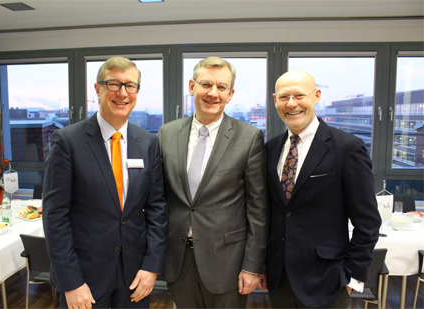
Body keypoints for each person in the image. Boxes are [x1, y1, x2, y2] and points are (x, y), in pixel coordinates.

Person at [43, 56, 168, 309]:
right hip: (85, 279)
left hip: (134, 275)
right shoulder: (68, 141)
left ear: (137, 92)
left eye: (130, 85)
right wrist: (71, 282)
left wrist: (152, 266)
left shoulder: (148, 143)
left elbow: (157, 209)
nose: (122, 93)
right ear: (97, 89)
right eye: (114, 84)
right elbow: (55, 216)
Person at [259, 70, 381, 308]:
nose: (291, 104)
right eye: (284, 97)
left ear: (316, 96)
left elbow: (367, 221)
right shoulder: (270, 149)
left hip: (328, 280)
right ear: (275, 101)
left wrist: (352, 277)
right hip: (279, 279)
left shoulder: (347, 148)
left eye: (299, 95)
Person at [158, 57, 268, 308]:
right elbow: (160, 199)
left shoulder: (249, 138)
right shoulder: (166, 134)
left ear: (230, 95)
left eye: (221, 87)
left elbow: (258, 210)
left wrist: (252, 266)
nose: (213, 93)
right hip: (178, 260)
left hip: (227, 263)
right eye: (206, 84)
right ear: (191, 86)